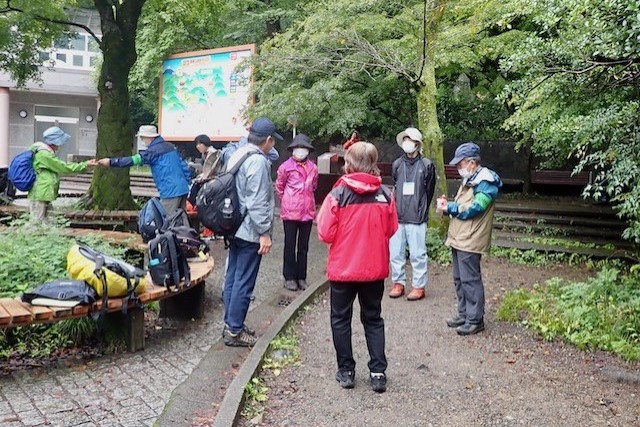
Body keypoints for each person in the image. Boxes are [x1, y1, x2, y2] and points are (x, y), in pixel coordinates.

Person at [317, 141, 398, 393]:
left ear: (348, 164)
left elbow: (324, 232)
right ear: (373, 164)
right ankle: (378, 372)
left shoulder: (337, 195)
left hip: (343, 269)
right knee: (373, 318)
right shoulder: (385, 194)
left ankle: (346, 370)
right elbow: (391, 229)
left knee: (340, 319)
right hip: (374, 268)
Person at [222, 116, 280, 347]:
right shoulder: (257, 161)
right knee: (244, 281)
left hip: (234, 225)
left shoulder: (238, 153)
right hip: (249, 230)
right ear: (267, 140)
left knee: (232, 277)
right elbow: (257, 201)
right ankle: (235, 330)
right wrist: (264, 233)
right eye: (273, 141)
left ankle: (230, 323)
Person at [436, 142, 502, 336]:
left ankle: (475, 319)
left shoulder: (485, 182)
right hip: (460, 236)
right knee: (459, 278)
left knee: (470, 279)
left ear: (472, 163)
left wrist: (451, 208)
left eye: (460, 164)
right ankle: (464, 314)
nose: (458, 168)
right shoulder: (471, 179)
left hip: (471, 238)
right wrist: (449, 205)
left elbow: (476, 208)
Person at [97, 125, 191, 223]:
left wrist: (111, 162)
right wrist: (187, 181)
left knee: (168, 220)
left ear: (149, 137)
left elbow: (133, 160)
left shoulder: (152, 152)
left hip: (170, 191)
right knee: (181, 218)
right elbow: (183, 166)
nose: (142, 140)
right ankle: (187, 238)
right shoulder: (171, 147)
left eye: (142, 137)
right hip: (183, 188)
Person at [388, 127, 436, 301]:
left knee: (418, 253)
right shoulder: (397, 164)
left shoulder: (427, 165)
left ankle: (418, 285)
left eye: (411, 140)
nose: (407, 143)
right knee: (395, 252)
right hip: (398, 214)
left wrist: (422, 208)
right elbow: (395, 185)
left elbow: (429, 190)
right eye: (405, 139)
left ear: (417, 143)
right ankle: (398, 283)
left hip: (417, 216)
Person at [275, 134, 318, 292]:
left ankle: (302, 277)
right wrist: (288, 201)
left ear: (308, 150)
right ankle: (289, 277)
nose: (301, 151)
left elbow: (313, 186)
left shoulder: (313, 168)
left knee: (303, 247)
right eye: (298, 148)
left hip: (307, 212)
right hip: (290, 212)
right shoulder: (285, 167)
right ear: (292, 150)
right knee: (289, 245)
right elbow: (279, 188)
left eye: (304, 148)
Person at [28, 126, 97, 224]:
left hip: (44, 193)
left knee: (48, 222)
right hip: (40, 193)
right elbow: (63, 167)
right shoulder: (44, 155)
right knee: (37, 223)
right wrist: (85, 165)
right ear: (55, 141)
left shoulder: (45, 153)